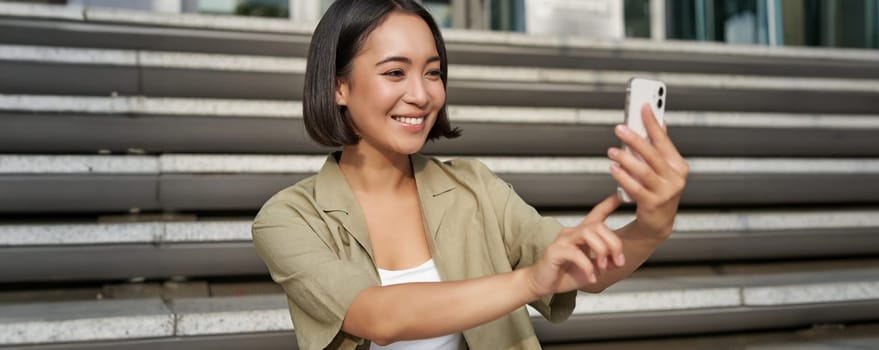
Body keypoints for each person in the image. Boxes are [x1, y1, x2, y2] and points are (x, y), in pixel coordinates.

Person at [251, 0, 689, 349]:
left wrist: (653, 224)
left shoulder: (473, 186)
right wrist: (529, 280)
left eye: (433, 73)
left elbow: (578, 271)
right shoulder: (289, 218)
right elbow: (379, 317)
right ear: (338, 86)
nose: (422, 95)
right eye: (395, 73)